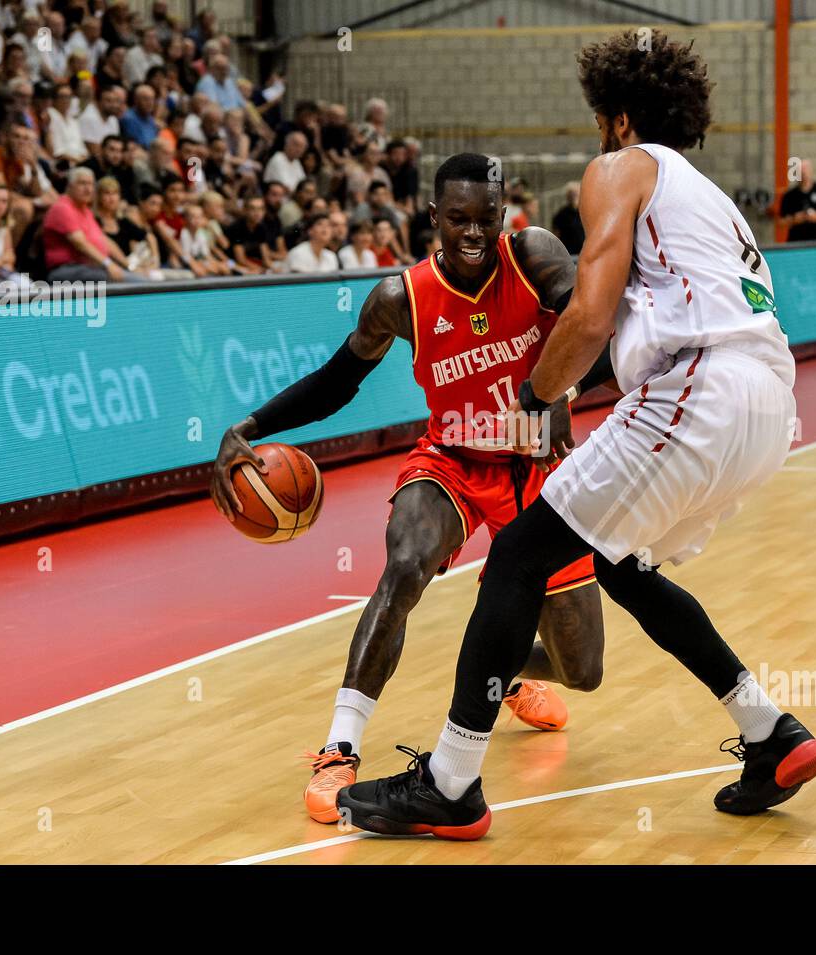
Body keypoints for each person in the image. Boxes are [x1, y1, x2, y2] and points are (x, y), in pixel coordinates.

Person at [337, 33, 816, 839]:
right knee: (621, 563)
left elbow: (590, 316)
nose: (595, 134)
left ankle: (454, 782)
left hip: (701, 385)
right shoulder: (711, 197)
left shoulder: (621, 166)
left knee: (519, 554)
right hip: (768, 400)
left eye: (598, 117)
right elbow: (625, 334)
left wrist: (532, 395)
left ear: (620, 117)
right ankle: (769, 729)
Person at [209, 153, 611, 824]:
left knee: (584, 667)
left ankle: (504, 666)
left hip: (537, 472)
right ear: (433, 218)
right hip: (449, 462)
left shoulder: (534, 256)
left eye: (487, 217)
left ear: (505, 211)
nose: (474, 233)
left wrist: (564, 388)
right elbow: (338, 380)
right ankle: (340, 746)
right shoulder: (402, 298)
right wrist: (249, 425)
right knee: (402, 569)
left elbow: (603, 328)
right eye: (458, 220)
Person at [40, 166, 133, 282]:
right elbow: (80, 243)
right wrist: (108, 264)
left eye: (91, 184)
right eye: (83, 184)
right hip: (67, 270)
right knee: (132, 282)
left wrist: (129, 266)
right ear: (70, 185)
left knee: (138, 278)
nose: (88, 189)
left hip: (89, 268)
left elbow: (105, 241)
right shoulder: (62, 208)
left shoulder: (85, 210)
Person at [778, 159, 816, 242]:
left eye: (805, 169)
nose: (803, 173)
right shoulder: (789, 195)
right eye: (800, 170)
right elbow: (780, 222)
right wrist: (794, 219)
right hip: (795, 242)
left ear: (811, 170)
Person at [550, 180, 585, 255]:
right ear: (567, 196)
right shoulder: (561, 215)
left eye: (576, 193)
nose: (573, 196)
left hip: (584, 252)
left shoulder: (586, 212)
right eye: (571, 194)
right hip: (569, 253)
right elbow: (556, 235)